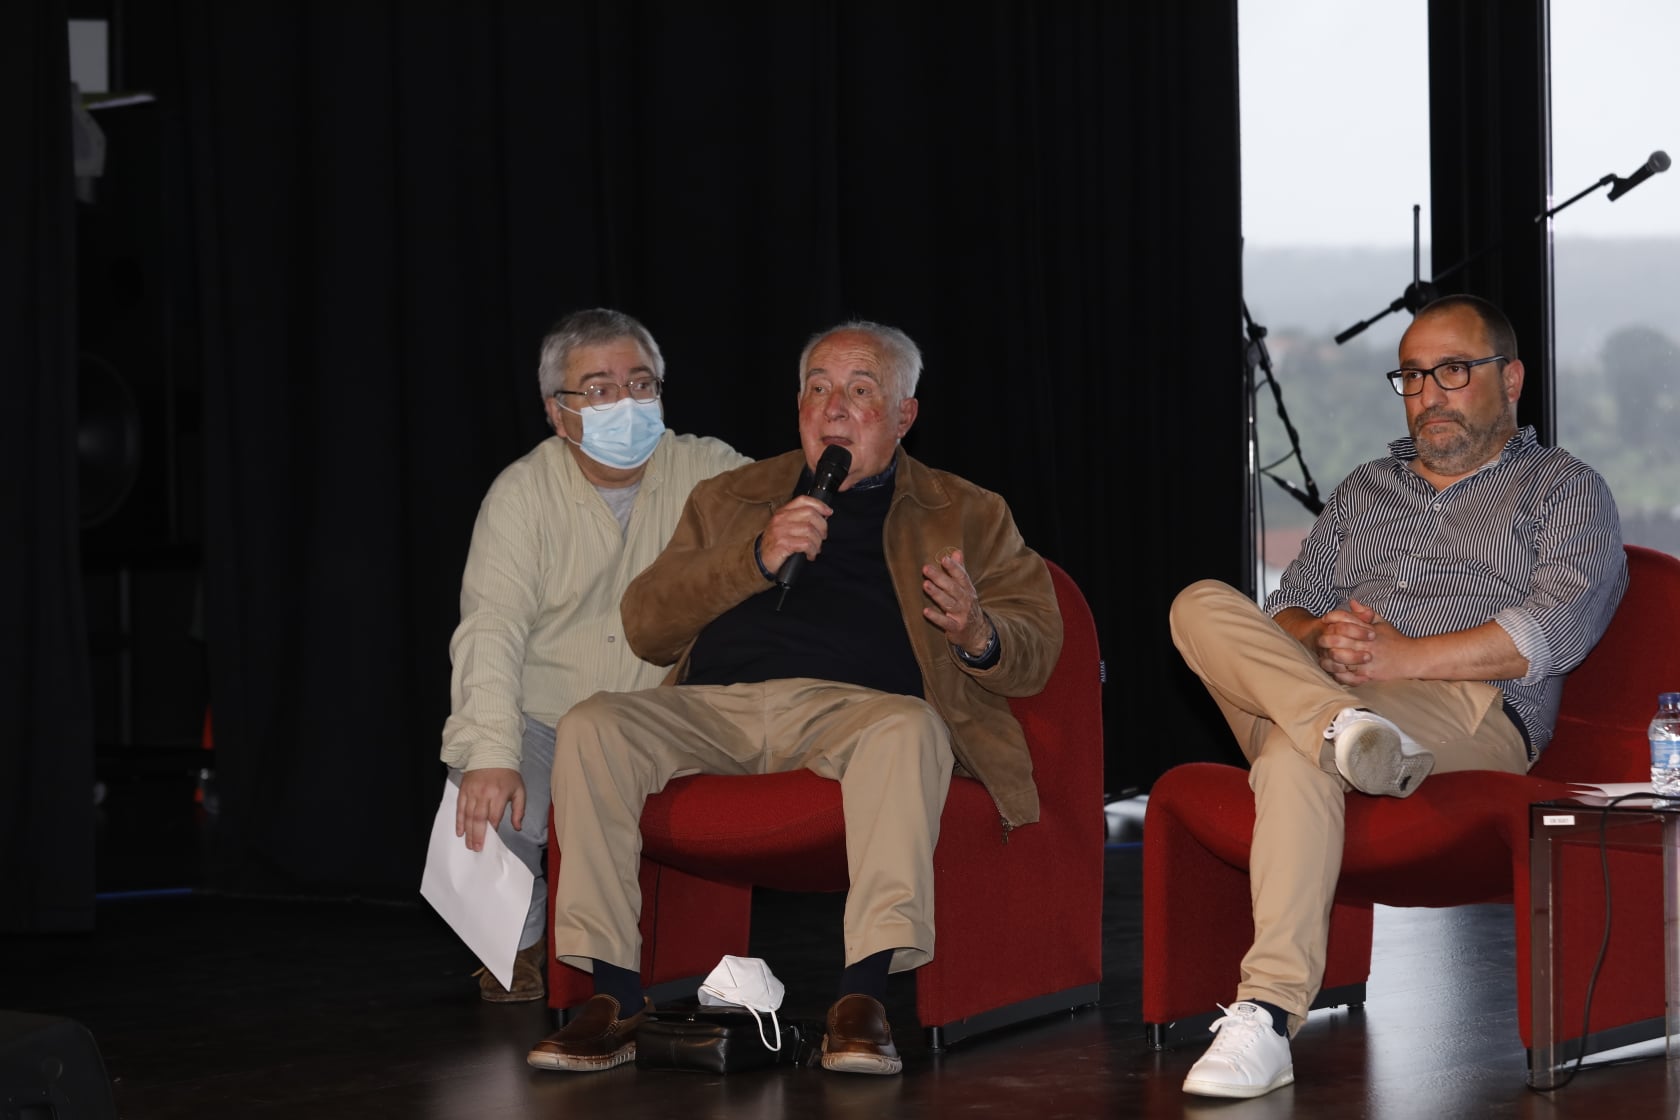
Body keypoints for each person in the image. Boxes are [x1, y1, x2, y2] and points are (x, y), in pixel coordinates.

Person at [524, 319, 1063, 1075]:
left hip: (857, 713)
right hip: (713, 711)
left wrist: (979, 631)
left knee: (910, 729)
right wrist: (756, 556)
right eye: (817, 390)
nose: (834, 408)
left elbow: (1039, 643)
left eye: (861, 390)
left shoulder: (966, 510)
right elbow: (647, 624)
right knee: (593, 725)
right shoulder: (734, 495)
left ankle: (861, 1000)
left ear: (905, 415)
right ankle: (614, 996)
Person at [1167, 293, 1627, 1098]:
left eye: (1452, 370)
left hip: (1469, 711)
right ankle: (1343, 730)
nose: (1428, 394)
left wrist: (1402, 658)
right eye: (1412, 377)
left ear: (1511, 378)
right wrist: (1321, 641)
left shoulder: (1563, 488)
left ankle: (1268, 1013)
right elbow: (1288, 606)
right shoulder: (1366, 488)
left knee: (1288, 757)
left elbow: (1554, 628)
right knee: (1199, 603)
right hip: (1331, 692)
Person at [439, 308, 749, 1002]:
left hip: (664, 718)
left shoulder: (708, 469)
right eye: (601, 390)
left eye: (642, 385)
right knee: (477, 790)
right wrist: (491, 751)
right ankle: (513, 948)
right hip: (551, 715)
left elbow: (789, 517)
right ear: (558, 412)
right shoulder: (521, 493)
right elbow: (491, 629)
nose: (628, 404)